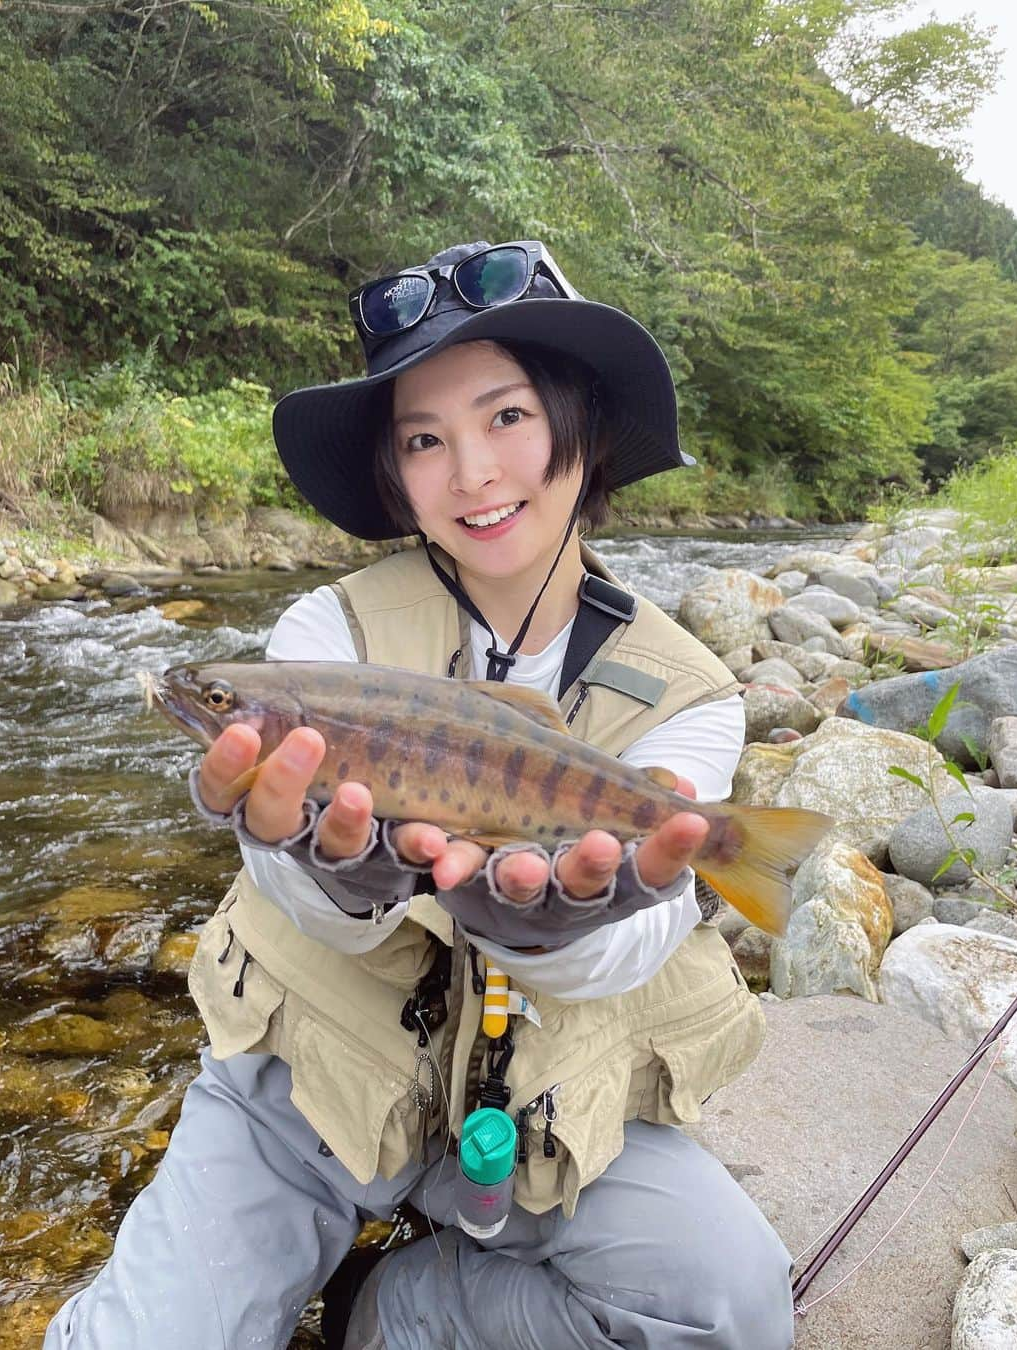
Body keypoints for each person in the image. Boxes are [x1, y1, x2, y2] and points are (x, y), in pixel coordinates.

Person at [44, 240, 794, 1350]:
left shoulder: (692, 694)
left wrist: (548, 930)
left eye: (505, 418)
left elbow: (637, 948)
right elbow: (286, 870)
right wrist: (339, 879)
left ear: (580, 428)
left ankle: (398, 1306)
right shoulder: (322, 635)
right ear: (395, 477)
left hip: (541, 1118)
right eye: (424, 441)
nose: (473, 473)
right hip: (311, 1083)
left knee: (732, 1311)